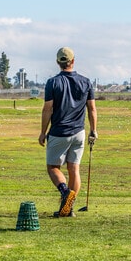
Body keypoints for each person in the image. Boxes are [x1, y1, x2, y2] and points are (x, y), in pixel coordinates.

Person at [38, 47, 97, 217]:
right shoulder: (86, 81)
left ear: (58, 62)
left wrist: (43, 132)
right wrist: (93, 130)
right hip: (79, 132)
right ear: (73, 61)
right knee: (74, 169)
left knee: (53, 168)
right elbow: (92, 108)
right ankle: (68, 209)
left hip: (59, 132)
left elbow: (47, 109)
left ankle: (65, 192)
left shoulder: (52, 83)